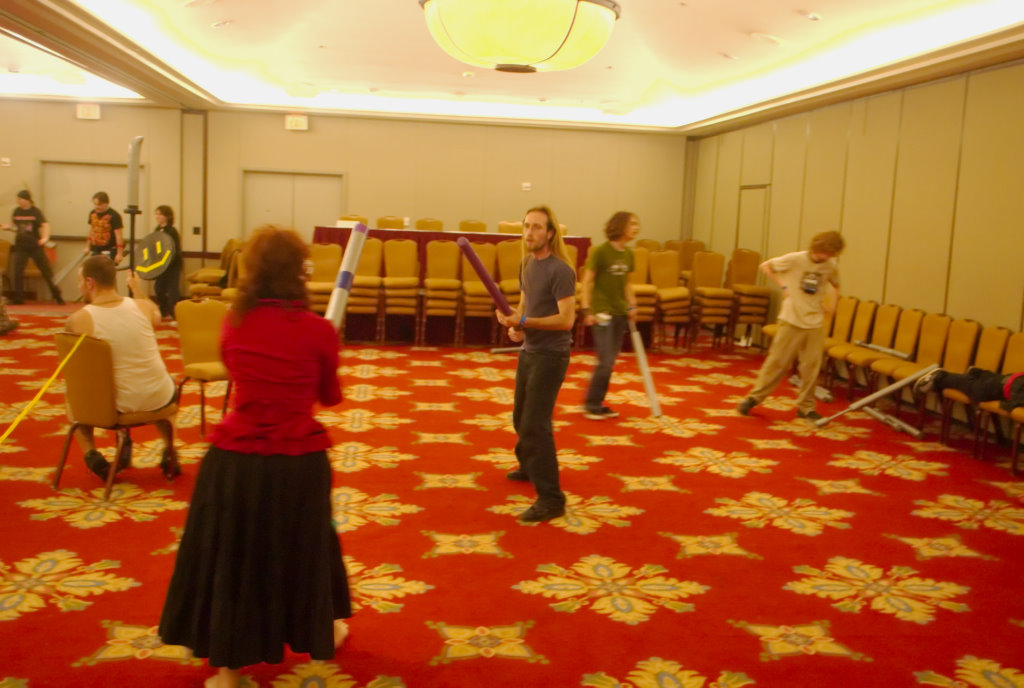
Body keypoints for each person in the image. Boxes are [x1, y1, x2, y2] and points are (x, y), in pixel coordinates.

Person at [159, 226, 350, 688]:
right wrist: (326, 348)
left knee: (233, 557)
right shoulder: (318, 331)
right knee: (305, 548)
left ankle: (229, 674)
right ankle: (321, 627)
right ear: (299, 273)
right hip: (297, 461)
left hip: (235, 460)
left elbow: (235, 368)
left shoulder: (234, 322)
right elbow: (330, 396)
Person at [495, 206, 577, 523]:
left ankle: (552, 499)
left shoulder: (561, 270)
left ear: (550, 233)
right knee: (520, 417)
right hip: (530, 351)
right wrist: (516, 325)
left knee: (534, 425)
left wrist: (525, 321)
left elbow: (566, 320)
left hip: (551, 356)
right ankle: (530, 465)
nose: (529, 233)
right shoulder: (527, 263)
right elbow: (524, 305)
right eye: (527, 226)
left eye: (537, 227)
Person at [65, 255, 177, 479]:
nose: (78, 286)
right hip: (159, 399)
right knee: (164, 382)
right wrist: (137, 290)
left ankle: (91, 455)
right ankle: (169, 448)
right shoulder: (142, 306)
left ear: (89, 283)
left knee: (73, 394)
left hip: (115, 408)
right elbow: (155, 315)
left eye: (79, 281)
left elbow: (79, 371)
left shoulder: (78, 320)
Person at [736, 230, 845, 421]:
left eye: (831, 254)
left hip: (815, 322)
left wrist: (832, 306)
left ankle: (806, 407)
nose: (827, 257)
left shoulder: (830, 265)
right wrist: (784, 286)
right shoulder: (795, 259)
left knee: (811, 367)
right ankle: (754, 398)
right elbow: (766, 266)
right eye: (826, 252)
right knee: (777, 361)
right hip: (791, 318)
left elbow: (836, 285)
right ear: (817, 248)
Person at [580, 211, 639, 420]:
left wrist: (632, 305)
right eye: (632, 224)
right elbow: (587, 282)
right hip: (602, 313)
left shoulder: (629, 254)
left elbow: (627, 284)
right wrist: (587, 309)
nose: (636, 228)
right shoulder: (601, 251)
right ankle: (591, 404)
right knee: (605, 361)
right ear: (620, 226)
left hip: (619, 312)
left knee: (609, 361)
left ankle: (597, 401)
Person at [1, 190, 64, 305]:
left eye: (20, 199)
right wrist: (8, 227)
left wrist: (45, 238)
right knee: (17, 272)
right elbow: (15, 226)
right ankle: (18, 298)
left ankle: (57, 295)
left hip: (35, 245)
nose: (18, 201)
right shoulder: (16, 211)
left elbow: (45, 225)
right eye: (18, 199)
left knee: (46, 271)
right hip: (20, 246)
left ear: (27, 200)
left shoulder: (35, 212)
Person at [914, 366, 1024, 409]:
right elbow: (1009, 405)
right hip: (996, 388)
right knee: (974, 391)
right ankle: (939, 378)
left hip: (1008, 378)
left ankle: (976, 373)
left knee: (973, 383)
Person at [151, 205, 182, 319]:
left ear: (167, 216)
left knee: (172, 290)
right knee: (158, 289)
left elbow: (174, 249)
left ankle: (174, 314)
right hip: (161, 265)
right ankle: (163, 311)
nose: (157, 216)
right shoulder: (157, 229)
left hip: (172, 265)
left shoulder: (172, 231)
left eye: (160, 214)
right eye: (156, 214)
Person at [84, 191, 124, 263]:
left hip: (110, 249)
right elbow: (91, 230)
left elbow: (119, 235)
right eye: (95, 204)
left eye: (99, 204)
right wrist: (87, 246)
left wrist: (119, 253)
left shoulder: (114, 216)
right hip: (96, 248)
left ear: (106, 204)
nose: (96, 207)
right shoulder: (92, 213)